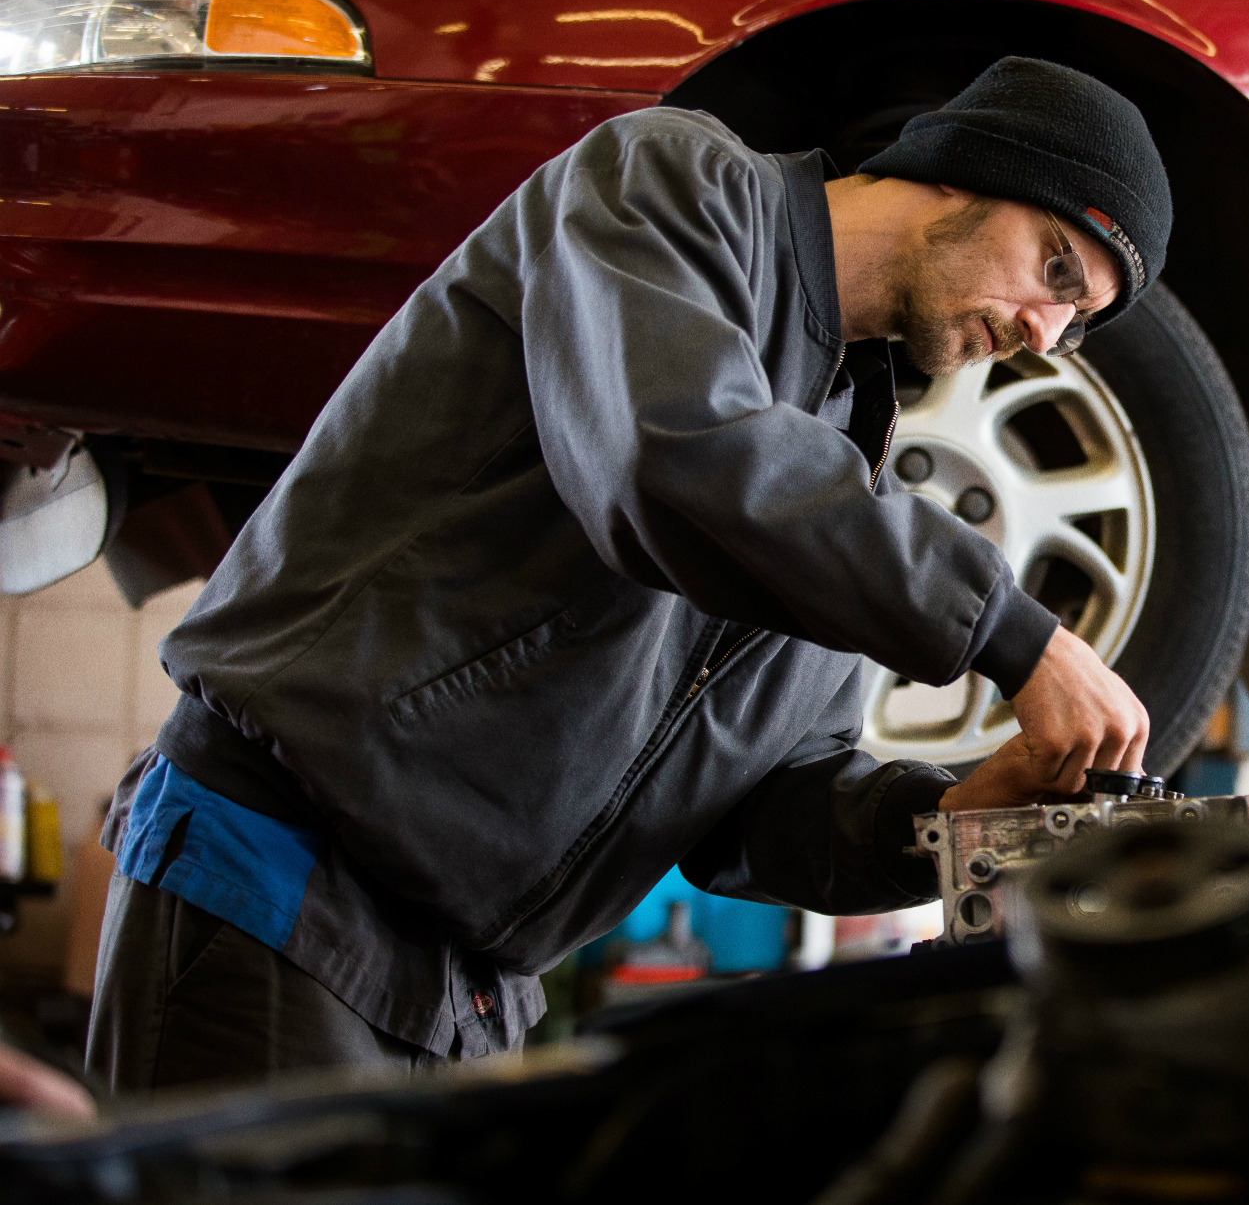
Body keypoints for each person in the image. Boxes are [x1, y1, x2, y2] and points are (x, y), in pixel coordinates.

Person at [86, 57, 1171, 1091]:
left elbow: (757, 809)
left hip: (467, 999)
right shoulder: (670, 184)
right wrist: (1017, 635)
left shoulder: (839, 479)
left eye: (1075, 322)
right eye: (1056, 268)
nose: (1043, 328)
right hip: (283, 875)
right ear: (961, 167)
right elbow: (676, 453)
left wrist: (942, 821)